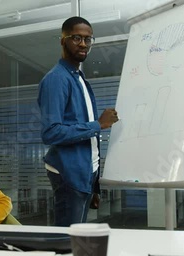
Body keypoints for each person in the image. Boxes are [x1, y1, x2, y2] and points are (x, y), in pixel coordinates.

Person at [37, 16, 119, 227]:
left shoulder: (78, 78)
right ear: (62, 40)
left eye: (88, 39)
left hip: (84, 175)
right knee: (67, 243)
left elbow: (89, 143)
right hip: (68, 174)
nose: (83, 44)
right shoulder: (57, 79)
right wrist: (97, 125)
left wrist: (94, 186)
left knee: (77, 239)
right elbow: (51, 132)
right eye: (76, 38)